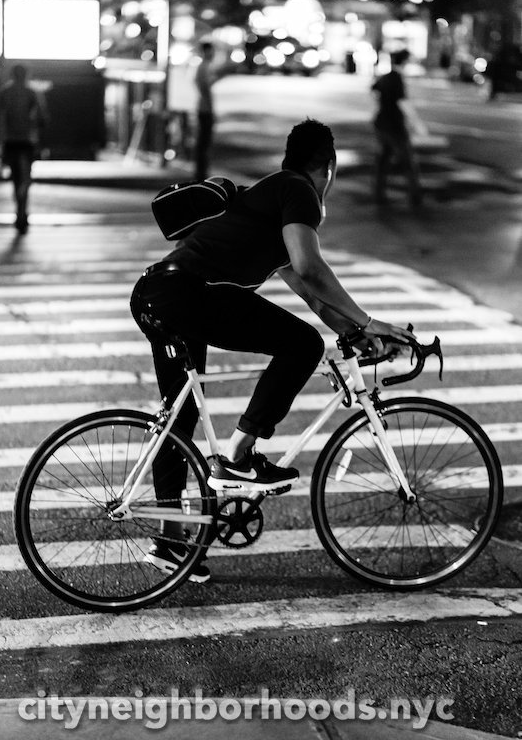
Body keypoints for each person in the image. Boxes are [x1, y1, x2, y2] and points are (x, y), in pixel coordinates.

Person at [130, 118, 415, 581]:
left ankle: (171, 541)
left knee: (176, 422)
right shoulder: (298, 191)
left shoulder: (269, 199)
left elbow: (309, 289)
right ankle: (239, 457)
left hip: (157, 295)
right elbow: (312, 266)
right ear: (329, 165)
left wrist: (355, 334)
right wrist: (368, 320)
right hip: (184, 295)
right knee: (301, 343)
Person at [371, 49, 428, 215]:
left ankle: (378, 195)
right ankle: (415, 197)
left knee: (382, 160)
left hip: (381, 123)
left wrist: (382, 105)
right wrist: (417, 123)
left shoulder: (385, 76)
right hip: (394, 125)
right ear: (405, 62)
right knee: (408, 161)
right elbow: (402, 102)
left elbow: (373, 91)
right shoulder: (397, 79)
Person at [0, 65, 47, 234]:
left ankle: (20, 208)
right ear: (26, 75)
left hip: (10, 140)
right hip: (26, 140)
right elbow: (42, 116)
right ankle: (22, 210)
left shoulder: (4, 92)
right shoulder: (32, 92)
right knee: (25, 178)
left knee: (17, 178)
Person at [194, 41, 219, 180]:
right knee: (204, 142)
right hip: (205, 110)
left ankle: (201, 173)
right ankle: (201, 174)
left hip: (203, 108)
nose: (213, 54)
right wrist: (211, 110)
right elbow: (204, 89)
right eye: (211, 51)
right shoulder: (203, 67)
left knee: (203, 143)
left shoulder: (203, 67)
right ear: (205, 52)